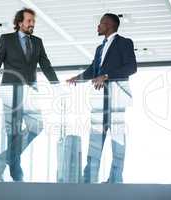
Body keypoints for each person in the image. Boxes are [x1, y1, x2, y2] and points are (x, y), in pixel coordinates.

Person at [0, 8, 59, 182]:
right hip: (10, 89)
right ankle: (15, 171)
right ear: (20, 22)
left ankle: (3, 158)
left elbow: (45, 64)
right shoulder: (6, 39)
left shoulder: (37, 42)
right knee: (13, 132)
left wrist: (56, 84)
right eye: (29, 21)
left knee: (36, 126)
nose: (32, 24)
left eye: (33, 21)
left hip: (30, 90)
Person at [67, 13, 137, 183]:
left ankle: (115, 178)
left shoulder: (124, 42)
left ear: (109, 24)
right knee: (95, 138)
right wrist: (78, 78)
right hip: (99, 100)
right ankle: (89, 177)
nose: (98, 27)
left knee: (117, 137)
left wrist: (106, 75)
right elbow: (93, 69)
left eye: (100, 24)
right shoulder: (100, 48)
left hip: (116, 99)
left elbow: (131, 67)